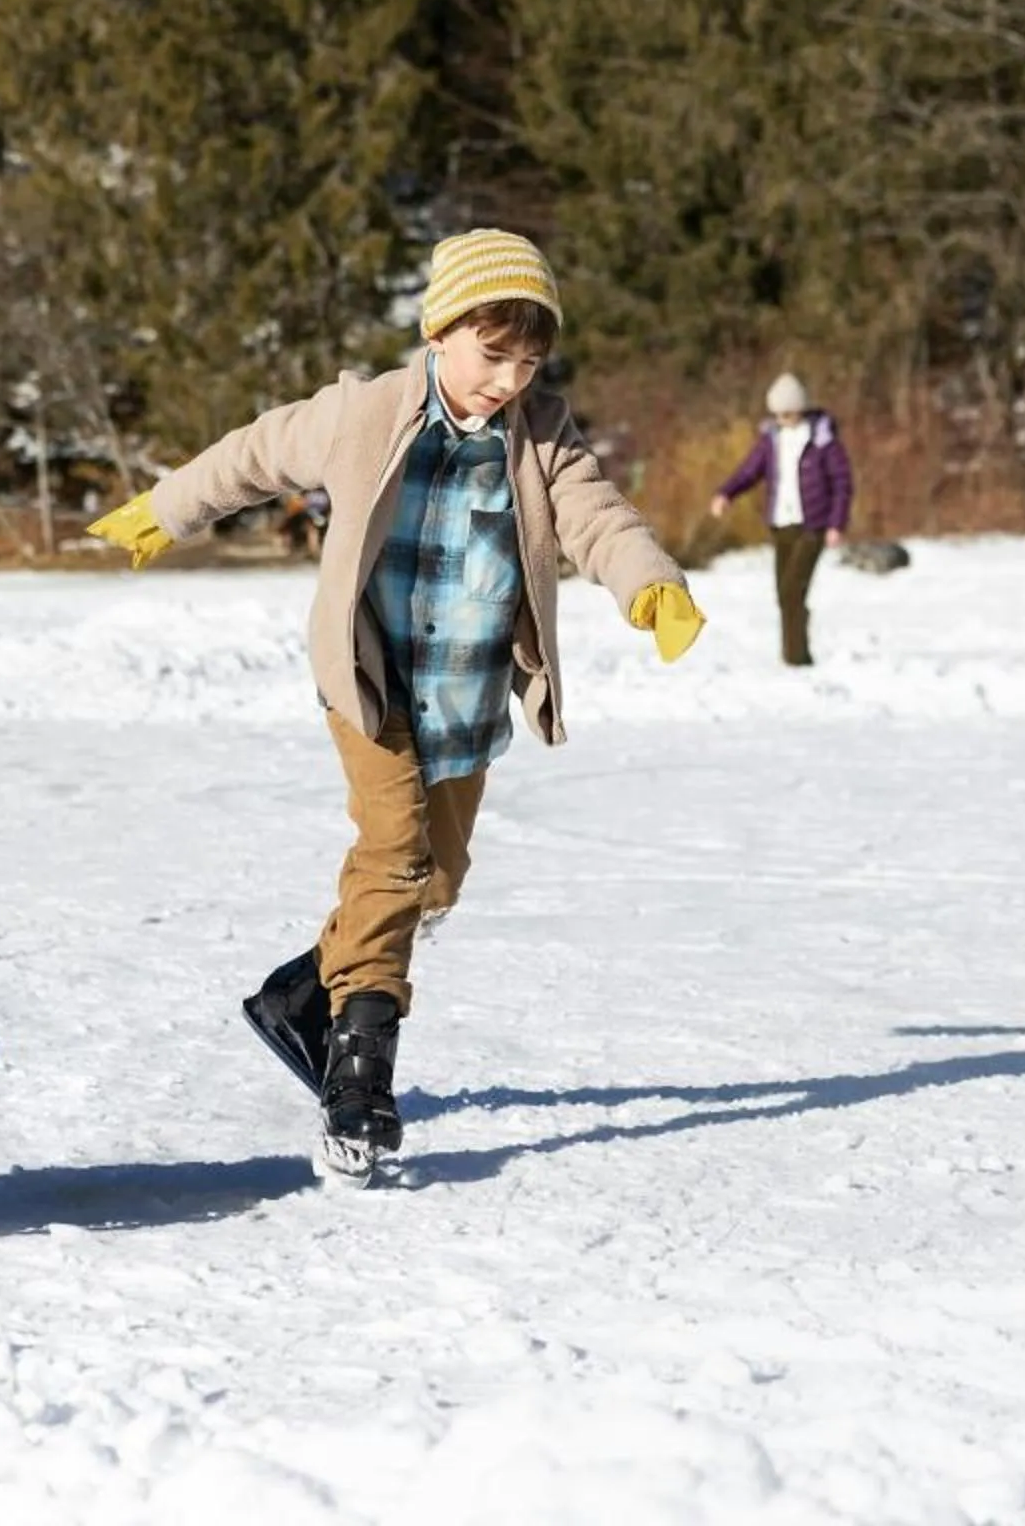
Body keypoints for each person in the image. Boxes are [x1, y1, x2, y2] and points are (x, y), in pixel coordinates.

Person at [82, 229, 707, 1180]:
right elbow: (253, 455)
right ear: (441, 330)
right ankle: (360, 1075)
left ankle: (302, 995)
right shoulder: (363, 413)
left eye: (528, 361)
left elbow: (598, 517)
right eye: (493, 354)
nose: (508, 378)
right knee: (392, 855)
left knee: (436, 880)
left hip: (466, 692)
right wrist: (164, 510)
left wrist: (647, 583)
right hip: (371, 680)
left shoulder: (542, 435)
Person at [708, 373, 855, 668]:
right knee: (785, 594)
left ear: (800, 408)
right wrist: (726, 494)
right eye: (778, 413)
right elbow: (749, 472)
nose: (783, 418)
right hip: (781, 524)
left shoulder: (822, 440)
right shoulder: (770, 440)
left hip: (813, 525)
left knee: (792, 590)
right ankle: (794, 654)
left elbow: (842, 482)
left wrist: (836, 523)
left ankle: (797, 659)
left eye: (788, 412)